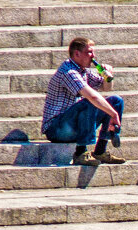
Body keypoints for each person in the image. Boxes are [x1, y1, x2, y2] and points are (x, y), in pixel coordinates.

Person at [42, 37, 125, 166]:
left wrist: (108, 76)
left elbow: (105, 88)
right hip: (57, 129)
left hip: (74, 124)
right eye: (90, 52)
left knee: (116, 101)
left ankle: (100, 151)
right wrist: (113, 114)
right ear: (77, 53)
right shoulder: (68, 71)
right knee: (89, 102)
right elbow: (93, 97)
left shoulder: (83, 71)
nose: (93, 56)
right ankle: (80, 153)